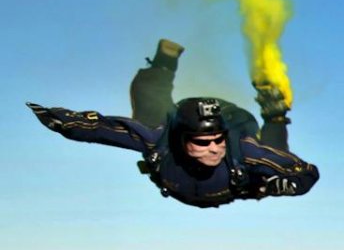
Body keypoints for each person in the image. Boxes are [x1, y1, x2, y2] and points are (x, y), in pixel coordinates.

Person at [24, 38, 316, 207]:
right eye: (203, 142)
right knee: (148, 106)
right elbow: (102, 129)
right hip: (178, 130)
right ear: (182, 139)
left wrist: (289, 186)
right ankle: (165, 61)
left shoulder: (242, 150)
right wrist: (62, 121)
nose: (215, 148)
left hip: (236, 125)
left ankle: (275, 112)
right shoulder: (159, 138)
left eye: (218, 140)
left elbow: (304, 171)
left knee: (266, 161)